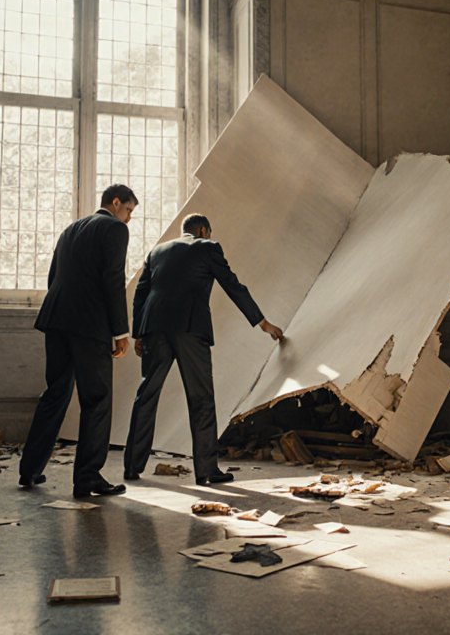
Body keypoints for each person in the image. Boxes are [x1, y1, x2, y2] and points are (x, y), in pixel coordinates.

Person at [124, 213, 284, 486]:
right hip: (189, 328)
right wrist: (262, 323)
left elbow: (142, 293)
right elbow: (233, 285)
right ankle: (207, 471)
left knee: (146, 395)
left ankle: (132, 467)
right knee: (201, 399)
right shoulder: (208, 247)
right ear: (203, 230)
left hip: (154, 328)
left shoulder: (157, 251)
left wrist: (138, 333)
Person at [19, 184, 137, 498]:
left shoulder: (70, 229)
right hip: (90, 324)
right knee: (96, 399)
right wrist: (120, 332)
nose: (128, 219)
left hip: (57, 319)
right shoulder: (114, 228)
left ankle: (28, 470)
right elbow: (113, 278)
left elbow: (53, 276)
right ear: (116, 203)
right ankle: (87, 477)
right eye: (128, 211)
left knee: (55, 393)